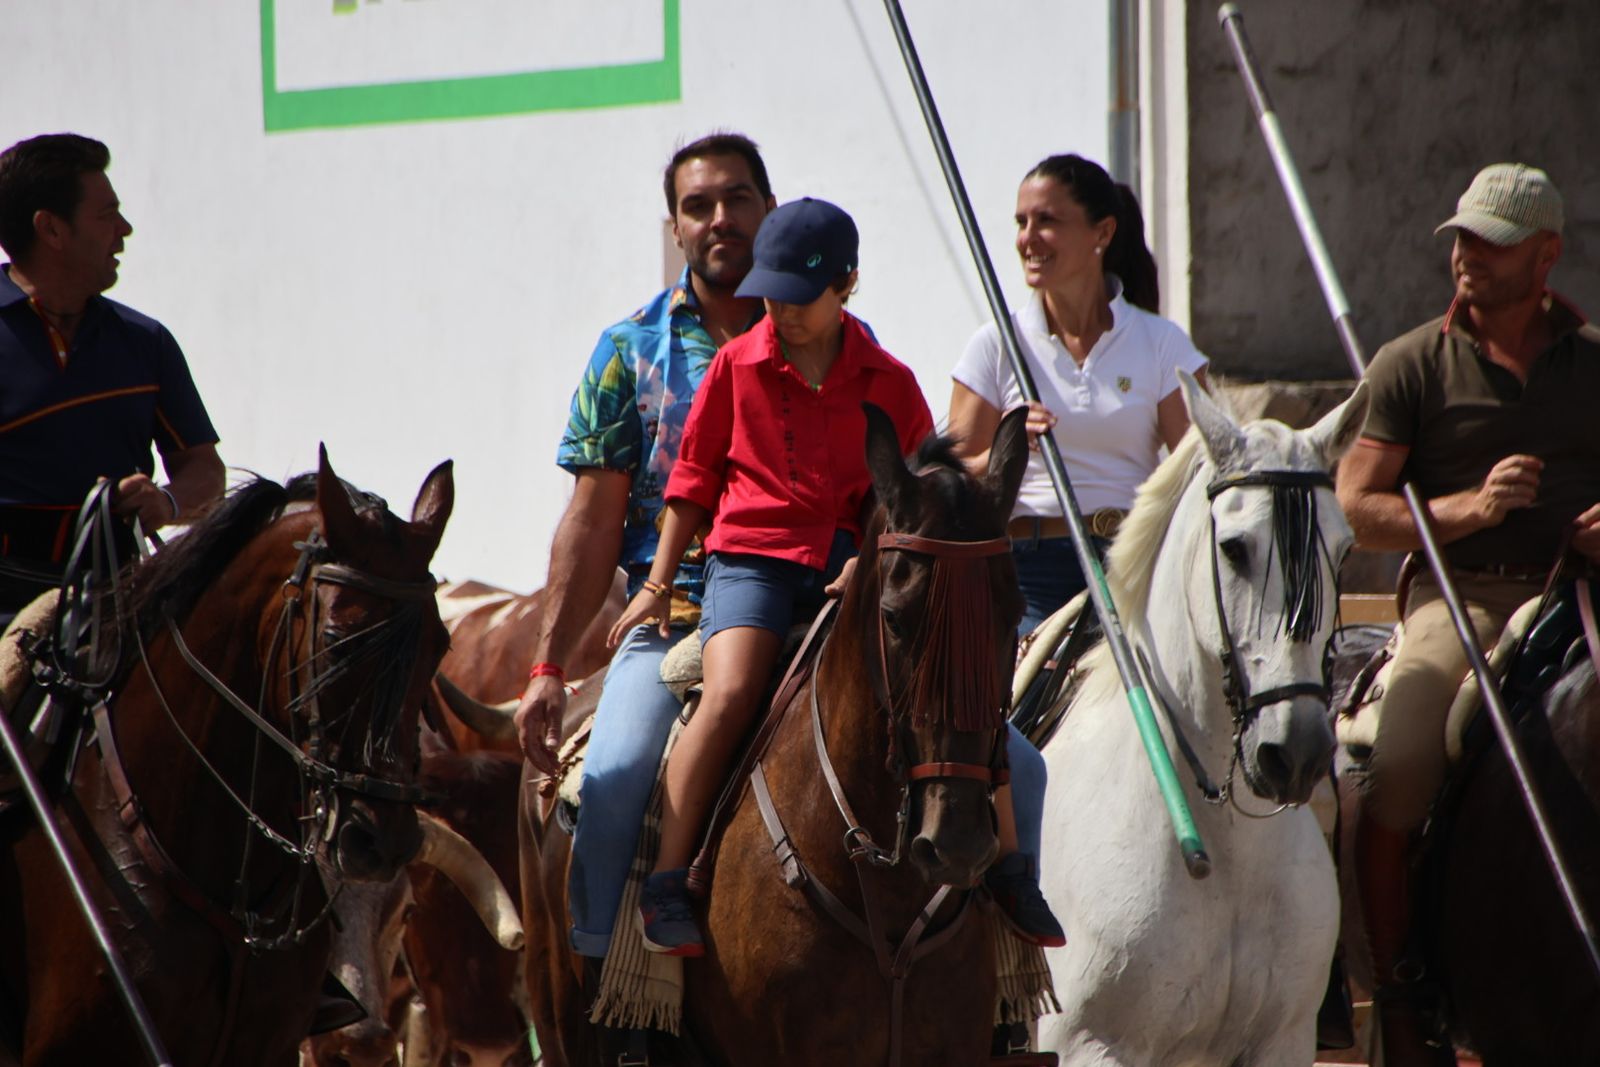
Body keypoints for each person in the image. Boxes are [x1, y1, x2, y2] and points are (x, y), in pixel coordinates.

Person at [613, 197, 1064, 957]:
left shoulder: (887, 377)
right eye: (771, 292)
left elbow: (923, 488)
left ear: (846, 284)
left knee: (1002, 737)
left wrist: (982, 471)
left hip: (852, 562)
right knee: (726, 694)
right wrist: (657, 585)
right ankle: (667, 881)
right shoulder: (734, 364)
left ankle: (1012, 874)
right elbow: (691, 484)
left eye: (798, 294)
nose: (779, 309)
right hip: (752, 558)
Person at [1336, 162, 1600, 1066]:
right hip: (1467, 592)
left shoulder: (1595, 359)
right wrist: (1466, 510)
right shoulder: (1411, 361)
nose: (1464, 254)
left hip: (1584, 590)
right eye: (1460, 237)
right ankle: (1401, 986)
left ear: (1546, 255)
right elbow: (1360, 503)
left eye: (1489, 241)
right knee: (1404, 763)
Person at [514, 132, 777, 960]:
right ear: (675, 228)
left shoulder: (830, 334)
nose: (720, 218)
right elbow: (593, 522)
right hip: (676, 610)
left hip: (804, 595)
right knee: (618, 774)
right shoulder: (627, 352)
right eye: (698, 205)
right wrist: (549, 667)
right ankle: (605, 987)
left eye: (737, 198)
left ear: (768, 209)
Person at [947, 153, 1208, 636]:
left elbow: (1202, 466)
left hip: (1134, 564)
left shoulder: (1162, 343)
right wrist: (1005, 448)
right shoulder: (995, 345)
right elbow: (949, 475)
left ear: (1102, 234)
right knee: (1019, 708)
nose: (1027, 237)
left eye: (1047, 220)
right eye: (1021, 222)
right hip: (1028, 572)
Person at [0, 133, 222, 626]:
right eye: (107, 215)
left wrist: (165, 502)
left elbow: (206, 473)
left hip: (122, 615)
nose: (125, 230)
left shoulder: (146, 341)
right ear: (51, 229)